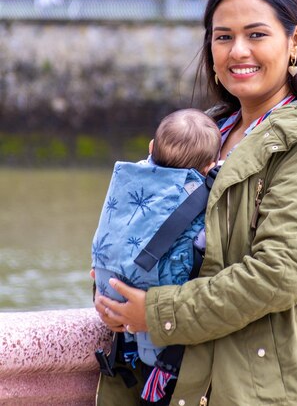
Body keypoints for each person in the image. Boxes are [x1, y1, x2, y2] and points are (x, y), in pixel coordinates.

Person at [93, 0, 297, 406]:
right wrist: (113, 280)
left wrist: (155, 312)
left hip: (260, 392)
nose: (238, 51)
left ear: (295, 40)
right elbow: (140, 224)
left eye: (256, 34)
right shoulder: (205, 133)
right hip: (167, 386)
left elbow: (277, 275)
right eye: (223, 37)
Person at [92, 108, 221, 404]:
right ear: (210, 166)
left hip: (110, 294)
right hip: (166, 321)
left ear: (151, 147)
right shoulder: (203, 191)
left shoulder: (127, 180)